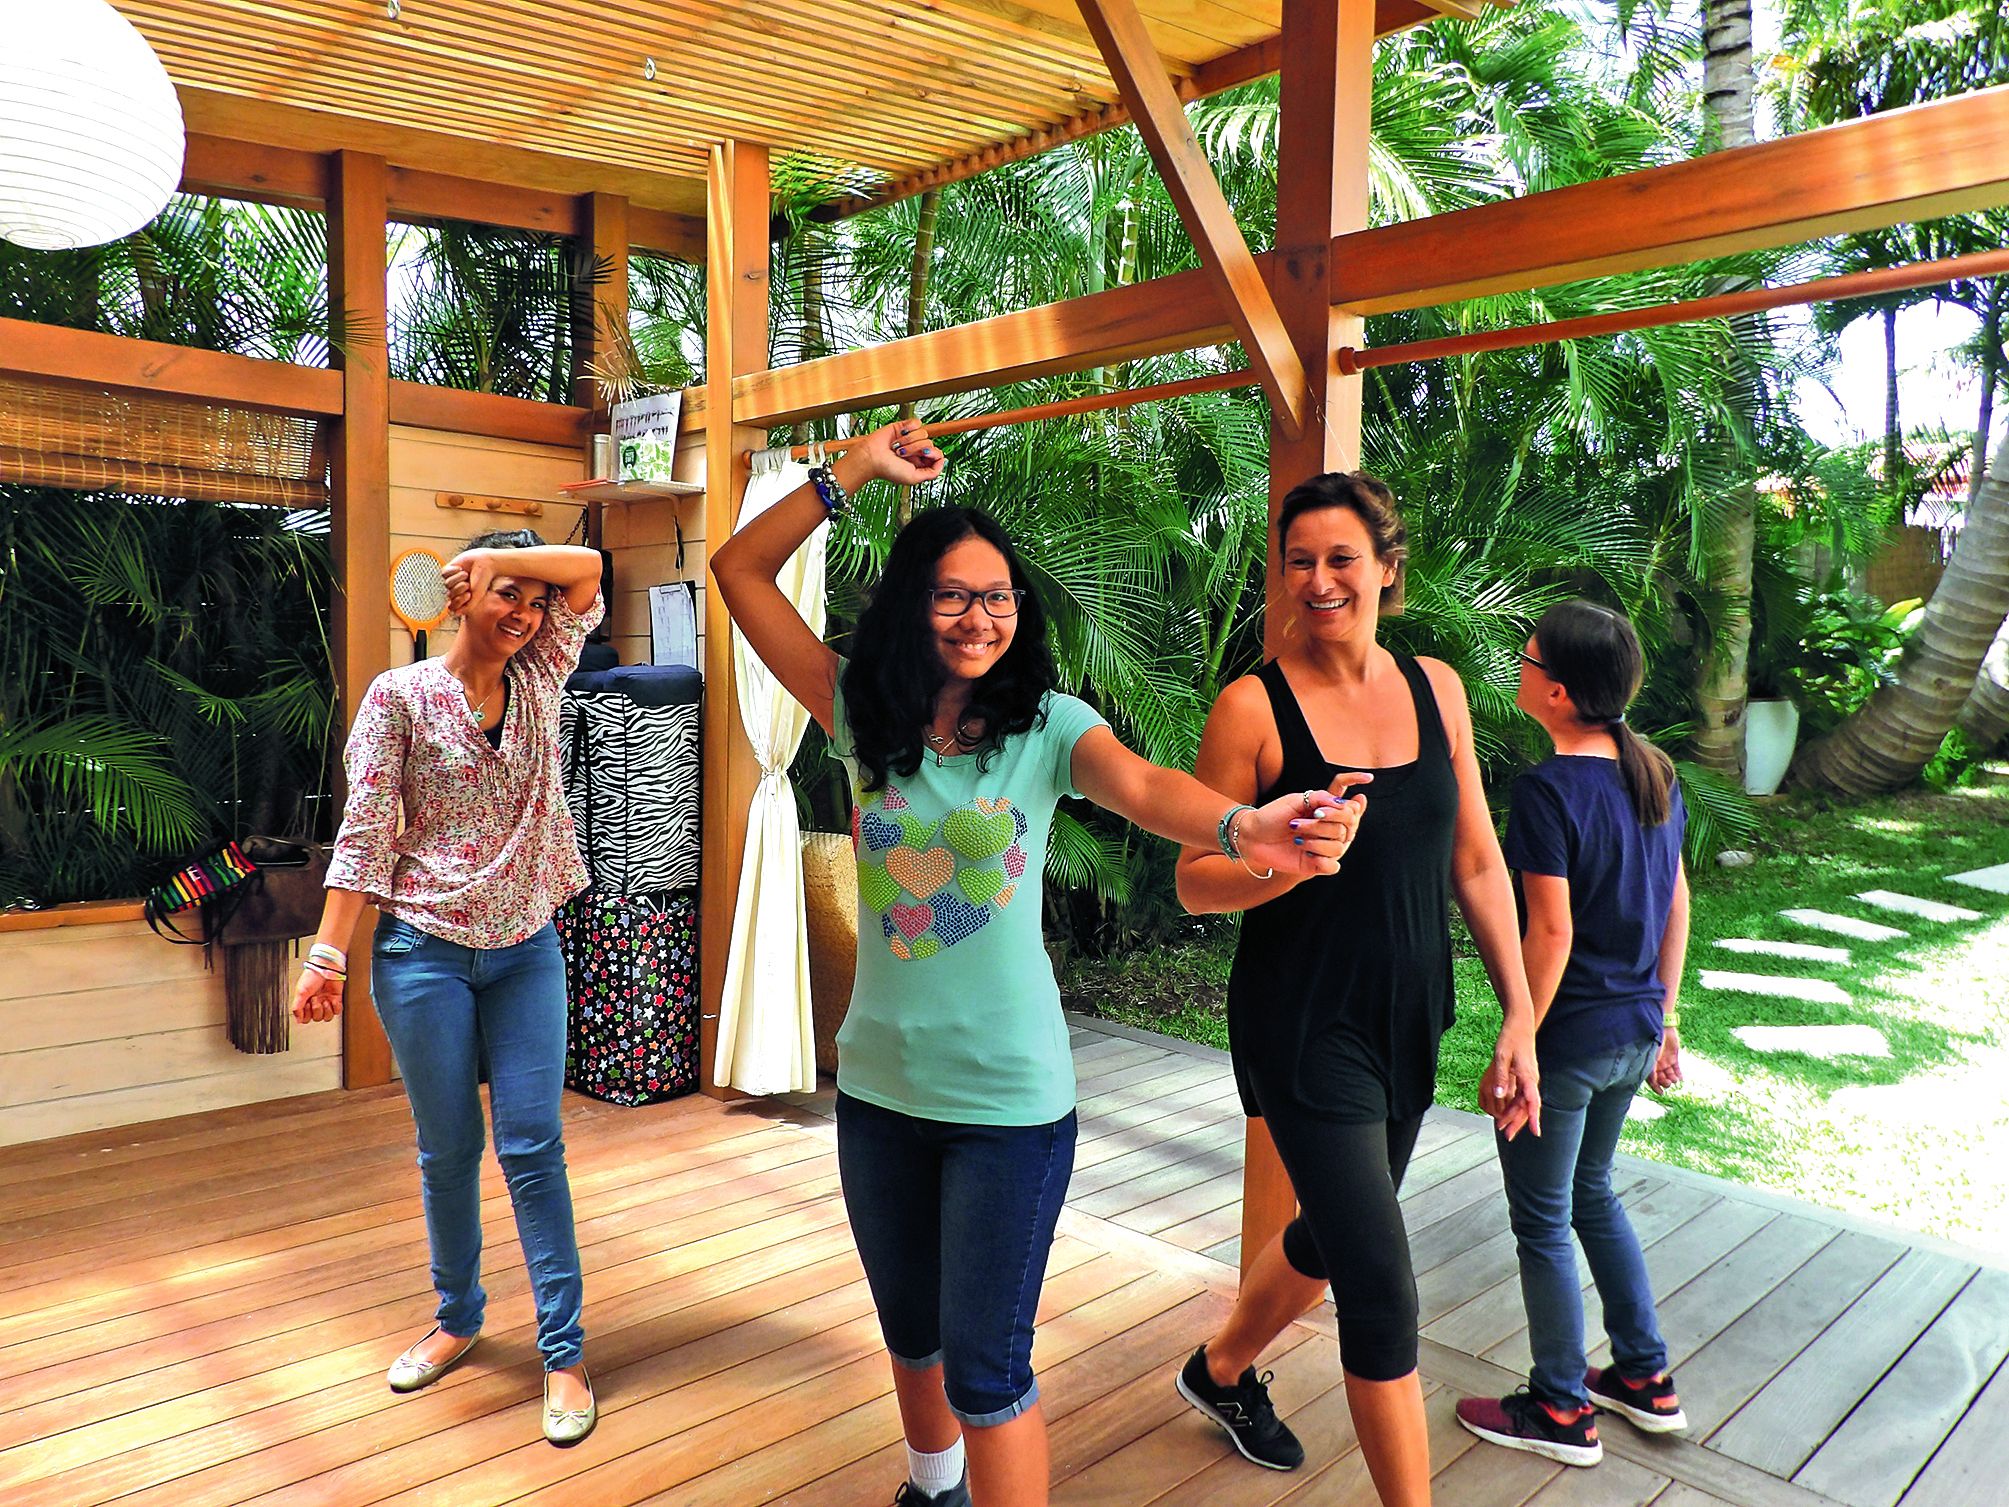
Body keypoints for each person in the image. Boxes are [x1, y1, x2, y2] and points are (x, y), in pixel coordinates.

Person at [709, 421, 1366, 1507]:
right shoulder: (858, 713)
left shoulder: (1048, 728)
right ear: (912, 606)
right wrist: (853, 470)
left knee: (986, 1368)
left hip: (1007, 1108)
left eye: (998, 597)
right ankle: (933, 1489)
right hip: (877, 1090)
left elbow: (1152, 789)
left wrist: (1246, 824)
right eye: (954, 595)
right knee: (909, 1336)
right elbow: (739, 567)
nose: (979, 617)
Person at [1171, 472, 1542, 1507]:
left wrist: (1518, 1013)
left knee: (1335, 1237)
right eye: (1299, 561)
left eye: (1341, 559)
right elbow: (1191, 880)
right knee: (1379, 1285)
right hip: (1302, 1020)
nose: (1319, 580)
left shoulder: (1437, 687)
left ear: (1387, 567)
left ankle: (1220, 1369)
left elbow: (1474, 858)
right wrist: (1279, 859)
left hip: (1411, 1010)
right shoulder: (1251, 707)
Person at [291, 528, 606, 1447]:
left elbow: (586, 572)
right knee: (447, 1147)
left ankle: (564, 1351)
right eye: (507, 594)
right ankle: (458, 1316)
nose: (526, 612)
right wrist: (327, 955)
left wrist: (521, 571)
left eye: (534, 599)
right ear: (460, 594)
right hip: (421, 954)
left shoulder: (544, 672)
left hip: (526, 949)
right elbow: (366, 832)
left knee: (533, 1145)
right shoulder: (399, 697)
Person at [1454, 600, 1689, 1467]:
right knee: (1591, 1193)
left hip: (1572, 1040)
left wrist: (1517, 1037)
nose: (1516, 667)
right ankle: (1644, 1378)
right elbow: (1676, 904)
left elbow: (1547, 932)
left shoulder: (1548, 791)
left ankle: (1559, 1405)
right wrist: (1663, 1016)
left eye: (1524, 658)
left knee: (1544, 1219)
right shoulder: (1656, 772)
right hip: (1630, 1030)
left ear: (1555, 691)